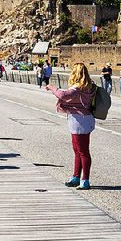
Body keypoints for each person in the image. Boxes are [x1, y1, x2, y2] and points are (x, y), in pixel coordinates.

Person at [45, 62, 95, 190]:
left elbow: (62, 95)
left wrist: (51, 87)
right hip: (83, 120)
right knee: (77, 151)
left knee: (83, 152)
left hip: (80, 121)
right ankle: (76, 177)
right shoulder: (89, 87)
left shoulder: (78, 87)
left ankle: (85, 180)